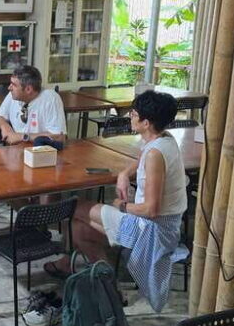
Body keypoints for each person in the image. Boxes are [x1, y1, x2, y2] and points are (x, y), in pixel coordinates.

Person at [43, 90, 187, 313]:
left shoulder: (155, 155)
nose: (130, 115)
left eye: (134, 113)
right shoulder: (163, 139)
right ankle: (110, 287)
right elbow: (142, 158)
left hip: (150, 230)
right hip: (153, 223)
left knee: (75, 207)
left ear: (146, 122)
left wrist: (121, 205)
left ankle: (87, 271)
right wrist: (124, 174)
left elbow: (151, 209)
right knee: (78, 228)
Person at [0, 65, 66, 144]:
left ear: (28, 89)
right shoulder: (12, 95)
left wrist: (23, 137)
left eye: (14, 85)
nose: (9, 88)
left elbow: (59, 137)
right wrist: (5, 127)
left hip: (41, 152)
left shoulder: (51, 98)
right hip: (17, 150)